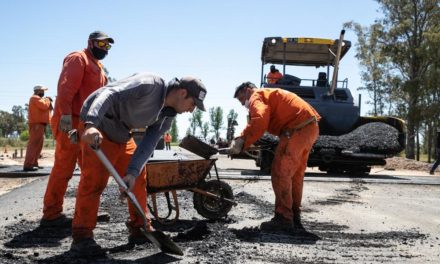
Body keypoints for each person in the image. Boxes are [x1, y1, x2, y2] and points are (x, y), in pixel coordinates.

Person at [70, 73, 207, 255]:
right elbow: (109, 93)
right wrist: (90, 124)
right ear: (182, 93)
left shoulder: (167, 116)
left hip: (122, 132)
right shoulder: (149, 84)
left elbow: (148, 143)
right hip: (99, 125)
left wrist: (132, 172)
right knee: (94, 182)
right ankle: (82, 236)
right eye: (193, 104)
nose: (192, 110)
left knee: (138, 179)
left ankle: (140, 228)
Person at [40, 31, 114, 228]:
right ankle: (51, 213)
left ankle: (85, 214)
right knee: (64, 166)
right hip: (70, 121)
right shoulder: (77, 58)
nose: (104, 48)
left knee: (91, 169)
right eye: (101, 43)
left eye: (107, 46)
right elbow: (66, 88)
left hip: (87, 124)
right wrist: (64, 114)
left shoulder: (99, 67)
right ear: (90, 43)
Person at [231, 81, 320, 232]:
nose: (242, 104)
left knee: (280, 173)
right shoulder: (268, 95)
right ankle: (294, 217)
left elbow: (259, 119)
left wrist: (243, 142)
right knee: (294, 176)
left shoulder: (256, 96)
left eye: (241, 99)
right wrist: (243, 136)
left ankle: (284, 219)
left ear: (247, 90)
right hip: (309, 128)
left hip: (296, 129)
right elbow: (258, 121)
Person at [23, 85, 53, 171]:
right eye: (42, 91)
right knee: (33, 145)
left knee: (38, 146)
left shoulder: (40, 99)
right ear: (37, 91)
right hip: (37, 124)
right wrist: (48, 100)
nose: (43, 92)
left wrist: (47, 101)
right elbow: (44, 106)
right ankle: (28, 165)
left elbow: (48, 108)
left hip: (41, 125)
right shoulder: (34, 98)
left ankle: (34, 163)